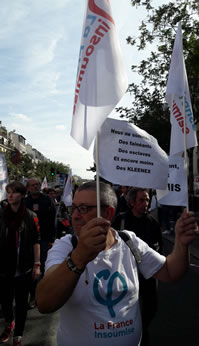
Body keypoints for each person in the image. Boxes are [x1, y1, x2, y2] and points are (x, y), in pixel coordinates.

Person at [36, 181, 198, 346]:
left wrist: (181, 244)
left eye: (83, 209)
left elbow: (171, 272)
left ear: (108, 213)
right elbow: (44, 302)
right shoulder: (65, 246)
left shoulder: (129, 241)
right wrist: (79, 257)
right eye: (74, 208)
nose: (75, 216)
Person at [112, 187, 163, 345]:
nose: (145, 203)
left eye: (147, 200)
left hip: (147, 274)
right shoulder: (120, 221)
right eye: (142, 200)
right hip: (125, 273)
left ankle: (142, 330)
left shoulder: (152, 222)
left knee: (150, 307)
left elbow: (159, 246)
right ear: (132, 202)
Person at [0, 182, 40, 346]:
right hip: (3, 269)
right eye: (8, 192)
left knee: (22, 304)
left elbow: (36, 241)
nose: (10, 195)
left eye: (14, 193)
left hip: (24, 268)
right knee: (5, 301)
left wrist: (37, 264)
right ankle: (10, 322)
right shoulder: (1, 215)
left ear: (22, 195)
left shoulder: (31, 216)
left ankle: (18, 335)